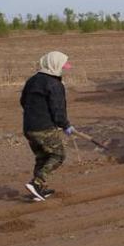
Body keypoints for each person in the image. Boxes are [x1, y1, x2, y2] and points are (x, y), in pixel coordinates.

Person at [20, 51, 74, 201]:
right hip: (43, 128)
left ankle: (38, 190)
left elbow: (23, 101)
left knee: (42, 157)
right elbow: (58, 110)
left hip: (28, 127)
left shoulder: (32, 80)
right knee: (58, 155)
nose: (64, 69)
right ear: (54, 64)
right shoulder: (55, 84)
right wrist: (65, 125)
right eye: (63, 66)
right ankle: (37, 183)